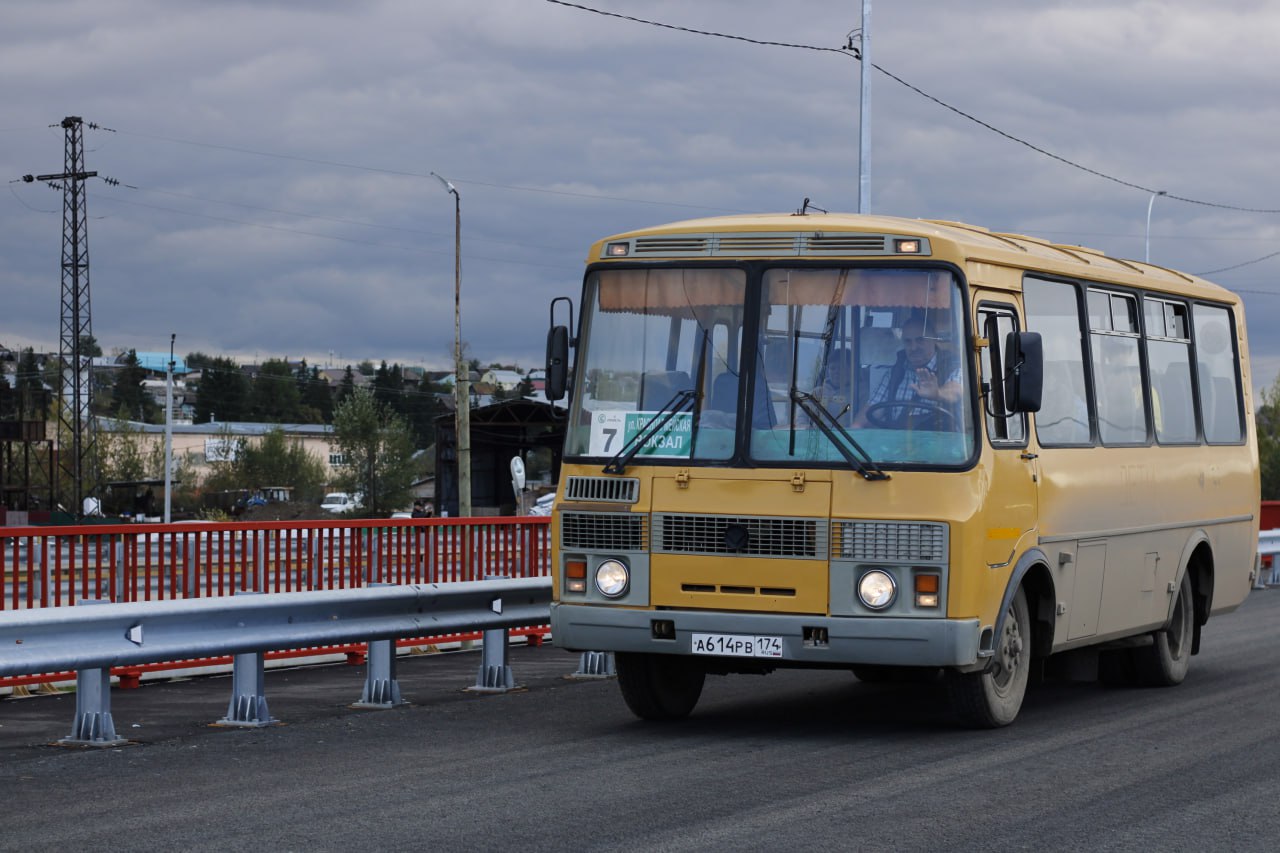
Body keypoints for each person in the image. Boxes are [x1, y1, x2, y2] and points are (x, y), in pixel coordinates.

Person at [853, 313, 962, 429]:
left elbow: (955, 391)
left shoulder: (953, 367)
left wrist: (937, 394)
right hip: (897, 441)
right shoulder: (896, 372)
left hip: (938, 443)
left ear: (934, 339)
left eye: (920, 340)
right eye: (908, 341)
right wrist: (854, 428)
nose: (913, 347)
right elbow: (873, 408)